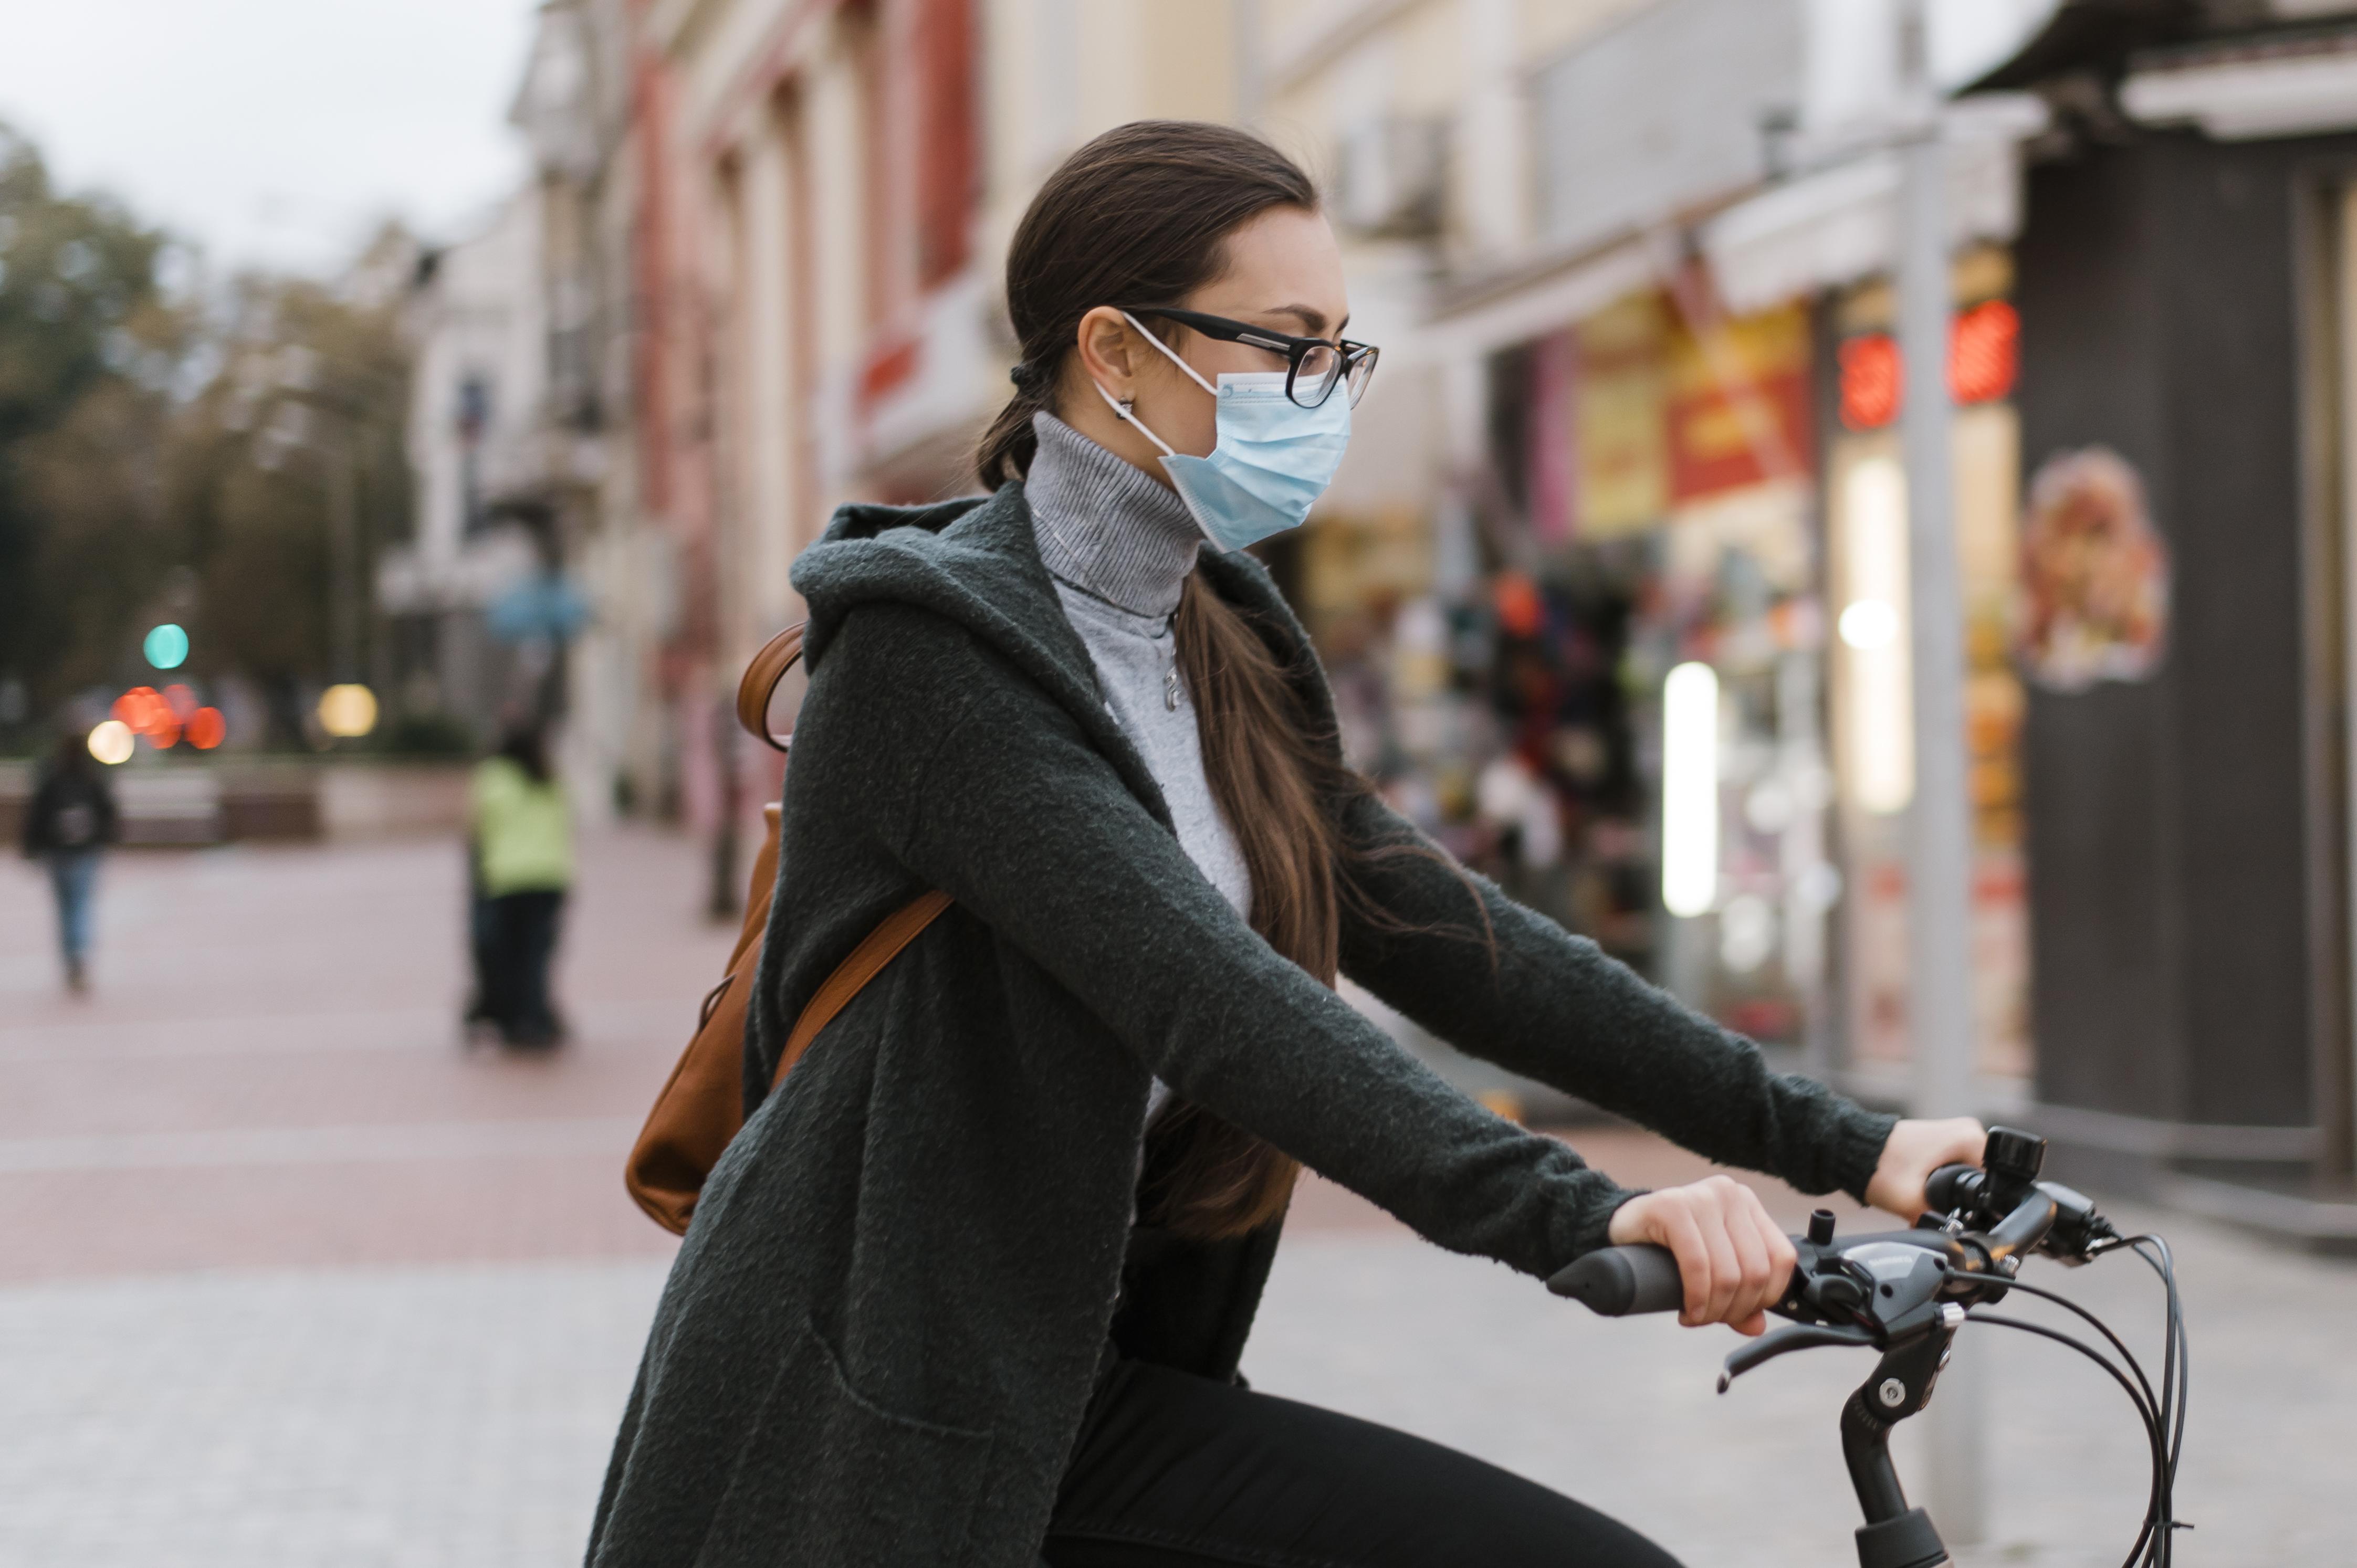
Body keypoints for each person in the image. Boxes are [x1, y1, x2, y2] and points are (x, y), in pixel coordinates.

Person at [586, 122, 1984, 1568]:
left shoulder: (1220, 629)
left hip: (1084, 1377)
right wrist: (1584, 1214)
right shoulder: (927, 660)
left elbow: (1461, 943)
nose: (1324, 391)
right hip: (878, 1411)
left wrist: (1852, 1143)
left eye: (1340, 350)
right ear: (1117, 353)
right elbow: (1209, 994)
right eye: (1289, 345)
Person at [467, 722, 572, 1047]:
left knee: (506, 954)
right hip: (549, 878)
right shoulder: (550, 779)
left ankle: (511, 1019)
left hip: (505, 880)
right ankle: (537, 1017)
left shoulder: (492, 777)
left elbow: (477, 830)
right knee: (537, 955)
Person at [19, 727, 118, 993]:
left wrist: (31, 847)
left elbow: (37, 815)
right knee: (81, 905)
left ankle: (71, 958)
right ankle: (79, 955)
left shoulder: (52, 775)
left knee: (64, 909)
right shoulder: (92, 776)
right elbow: (108, 811)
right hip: (85, 851)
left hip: (58, 852)